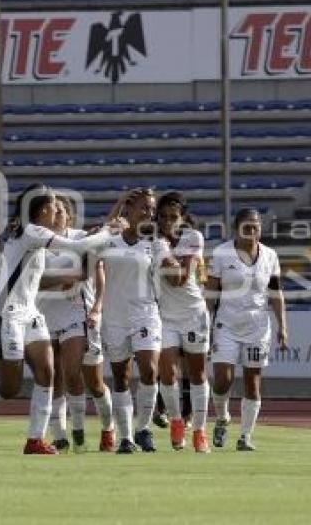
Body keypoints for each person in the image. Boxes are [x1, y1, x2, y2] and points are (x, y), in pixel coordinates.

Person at [0, 184, 120, 455]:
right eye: (55, 205)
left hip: (29, 312)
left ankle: (34, 440)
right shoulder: (32, 231)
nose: (59, 210)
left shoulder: (37, 233)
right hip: (5, 313)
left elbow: (77, 245)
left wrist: (100, 232)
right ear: (43, 210)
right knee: (10, 386)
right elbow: (77, 245)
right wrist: (107, 231)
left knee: (47, 373)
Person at [206, 208, 288, 451]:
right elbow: (211, 293)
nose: (252, 231)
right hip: (227, 324)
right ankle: (222, 418)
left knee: (253, 382)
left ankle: (245, 436)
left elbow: (275, 293)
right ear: (237, 228)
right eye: (247, 226)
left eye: (256, 226)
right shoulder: (222, 254)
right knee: (223, 380)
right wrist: (205, 323)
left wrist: (283, 325)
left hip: (257, 326)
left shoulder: (270, 256)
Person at [39, 194, 115, 453]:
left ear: (69, 216)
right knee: (52, 379)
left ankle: (107, 427)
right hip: (44, 314)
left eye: (60, 210)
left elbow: (98, 273)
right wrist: (62, 278)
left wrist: (96, 308)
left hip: (77, 314)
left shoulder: (80, 238)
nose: (56, 214)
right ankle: (61, 435)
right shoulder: (38, 241)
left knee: (85, 378)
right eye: (52, 210)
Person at [96, 188, 166, 454]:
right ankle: (126, 437)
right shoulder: (110, 239)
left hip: (145, 313)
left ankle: (143, 429)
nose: (148, 213)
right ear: (129, 210)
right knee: (121, 378)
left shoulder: (154, 243)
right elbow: (97, 238)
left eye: (151, 209)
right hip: (115, 316)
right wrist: (118, 201)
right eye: (143, 208)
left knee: (149, 369)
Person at [154, 192, 211, 452]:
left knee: (197, 374)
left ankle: (199, 430)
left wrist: (165, 253)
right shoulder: (152, 241)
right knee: (166, 372)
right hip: (165, 315)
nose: (168, 222)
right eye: (163, 217)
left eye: (173, 217)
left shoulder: (193, 238)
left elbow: (179, 278)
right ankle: (177, 421)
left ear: (183, 218)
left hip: (192, 313)